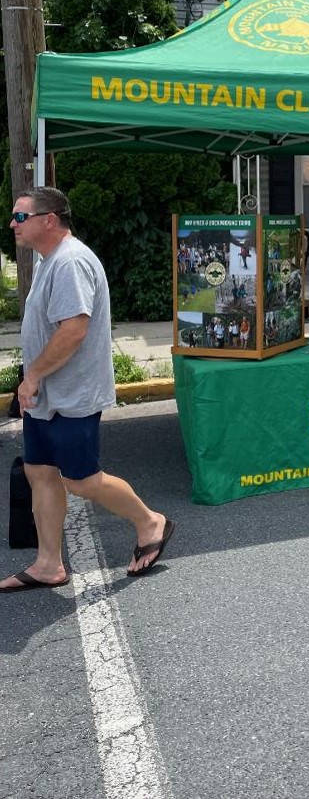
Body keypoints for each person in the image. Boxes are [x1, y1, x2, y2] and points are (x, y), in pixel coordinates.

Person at [0, 187, 174, 592]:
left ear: (49, 219)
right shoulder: (49, 260)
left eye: (20, 217)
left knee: (81, 480)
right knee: (39, 471)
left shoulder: (71, 261)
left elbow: (74, 330)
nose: (12, 224)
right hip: (46, 395)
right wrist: (33, 381)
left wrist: (32, 376)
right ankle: (48, 564)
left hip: (71, 396)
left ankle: (151, 521)